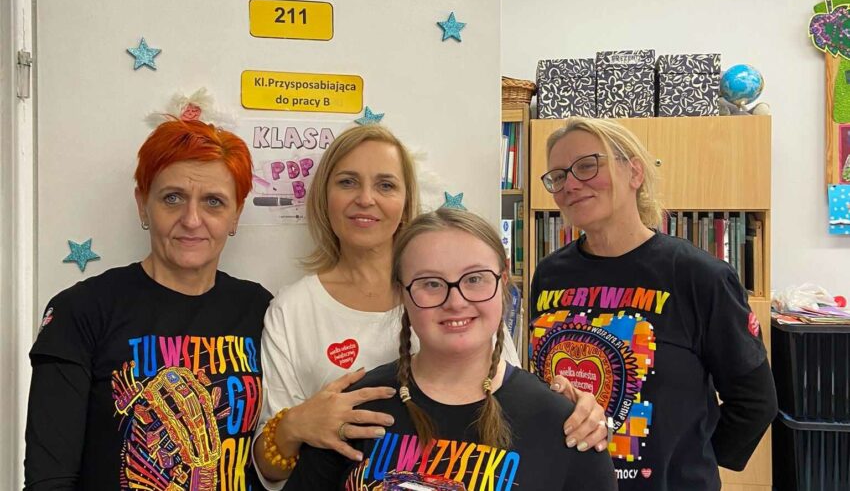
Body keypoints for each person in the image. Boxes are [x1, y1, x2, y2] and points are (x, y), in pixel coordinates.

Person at [254, 125, 609, 488]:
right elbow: (273, 469)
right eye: (347, 182)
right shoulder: (293, 309)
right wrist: (295, 425)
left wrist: (575, 413)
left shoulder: (474, 308)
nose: (365, 198)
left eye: (385, 185)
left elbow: (512, 401)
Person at [286, 208, 618, 490]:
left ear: (503, 283)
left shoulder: (566, 423)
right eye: (431, 283)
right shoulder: (354, 408)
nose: (455, 301)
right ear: (402, 293)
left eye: (475, 279)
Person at [528, 117, 778, 490]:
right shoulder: (549, 275)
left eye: (587, 165)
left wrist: (690, 460)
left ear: (634, 172)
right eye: (559, 176)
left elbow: (755, 401)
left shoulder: (699, 276)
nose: (571, 185)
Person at [24, 119, 273, 490]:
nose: (192, 220)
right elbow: (50, 479)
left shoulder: (261, 309)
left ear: (235, 214)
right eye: (172, 198)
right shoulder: (82, 310)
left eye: (214, 202)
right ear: (143, 205)